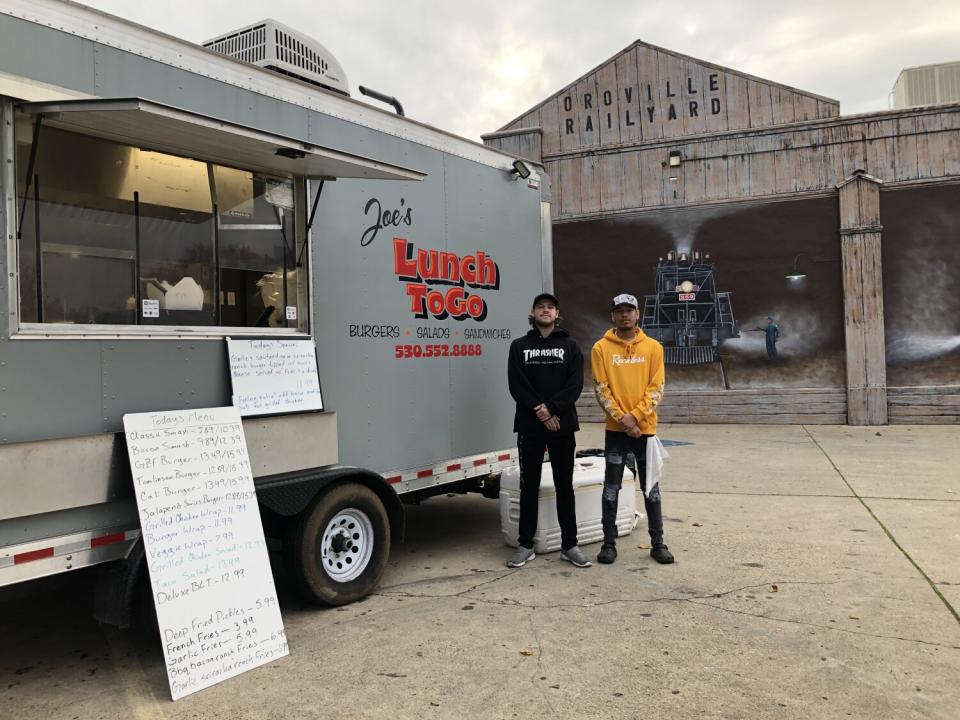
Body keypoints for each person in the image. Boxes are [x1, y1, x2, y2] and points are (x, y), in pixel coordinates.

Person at [506, 292, 591, 569]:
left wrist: (552, 409)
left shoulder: (570, 345)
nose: (545, 311)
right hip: (530, 427)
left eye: (550, 307)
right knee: (528, 486)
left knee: (564, 486)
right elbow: (517, 385)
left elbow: (575, 384)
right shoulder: (519, 346)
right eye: (540, 307)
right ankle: (525, 545)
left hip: (562, 427)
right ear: (533, 313)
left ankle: (570, 545)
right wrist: (541, 412)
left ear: (557, 314)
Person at [591, 293, 674, 565]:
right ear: (612, 316)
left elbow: (657, 387)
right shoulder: (601, 348)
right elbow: (601, 389)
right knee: (611, 488)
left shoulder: (653, 348)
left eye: (630, 310)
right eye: (619, 311)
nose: (625, 315)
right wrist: (624, 420)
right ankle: (608, 544)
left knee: (651, 489)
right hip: (616, 432)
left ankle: (658, 543)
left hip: (645, 431)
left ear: (638, 314)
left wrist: (636, 418)